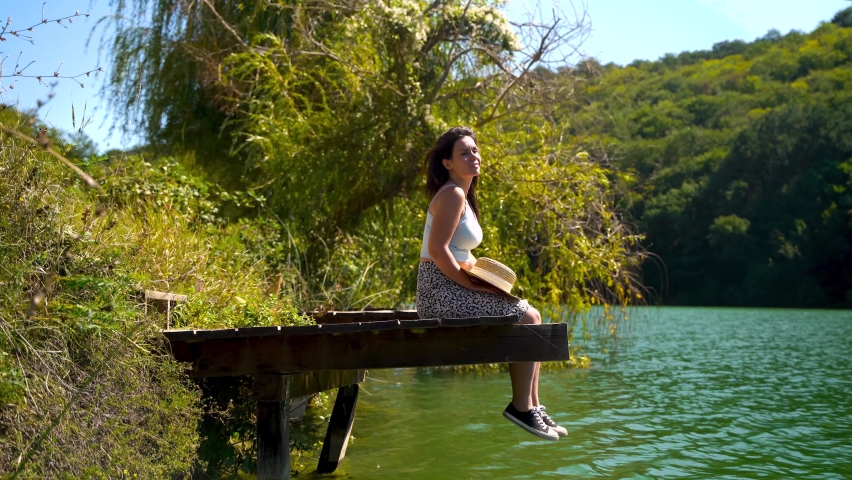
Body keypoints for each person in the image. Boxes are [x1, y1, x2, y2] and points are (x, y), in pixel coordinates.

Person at [416, 126, 567, 441]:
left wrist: (480, 276)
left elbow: (457, 251)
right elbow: (437, 251)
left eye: (474, 150)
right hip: (437, 291)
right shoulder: (452, 193)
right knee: (528, 317)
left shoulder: (464, 196)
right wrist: (471, 285)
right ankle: (520, 407)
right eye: (464, 153)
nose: (474, 156)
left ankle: (533, 407)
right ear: (447, 163)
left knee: (533, 316)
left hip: (451, 284)